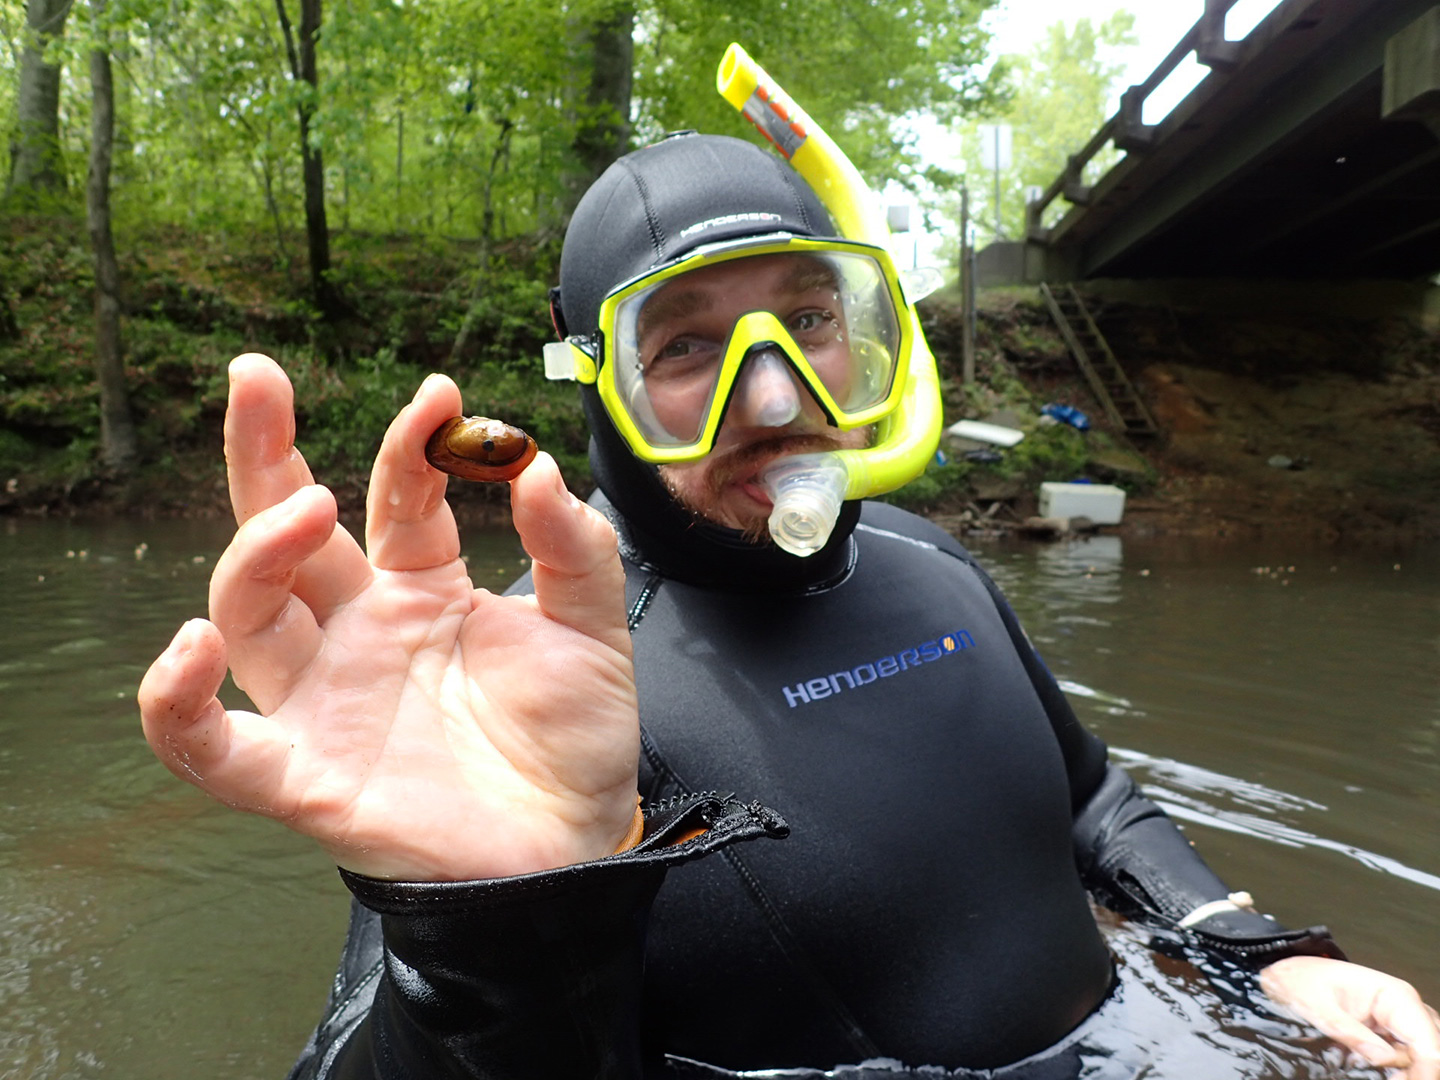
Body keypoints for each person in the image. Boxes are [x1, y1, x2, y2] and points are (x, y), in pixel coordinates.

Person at [138, 131, 1440, 1080]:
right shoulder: (538, 706)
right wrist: (493, 929)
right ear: (595, 380)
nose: (772, 401)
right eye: (688, 346)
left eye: (807, 320)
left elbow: (1091, 802)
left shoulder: (935, 568)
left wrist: (1265, 957)